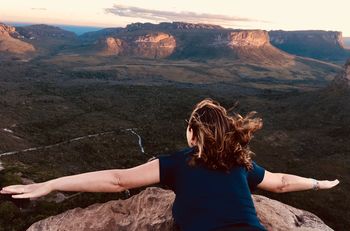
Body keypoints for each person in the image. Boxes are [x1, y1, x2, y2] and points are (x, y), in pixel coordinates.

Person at [0, 98, 339, 231]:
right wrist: (316, 184)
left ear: (192, 134)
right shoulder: (241, 165)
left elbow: (117, 180)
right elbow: (280, 182)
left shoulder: (178, 164)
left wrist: (51, 184)